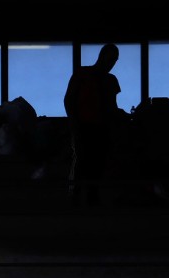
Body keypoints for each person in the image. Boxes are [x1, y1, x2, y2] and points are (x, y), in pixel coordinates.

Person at [63, 43, 122, 207]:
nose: (111, 63)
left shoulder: (98, 77)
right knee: (84, 161)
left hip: (99, 127)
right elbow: (69, 100)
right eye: (111, 59)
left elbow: (111, 106)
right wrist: (74, 123)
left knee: (95, 162)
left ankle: (87, 196)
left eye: (114, 60)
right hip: (85, 126)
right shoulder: (86, 75)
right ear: (102, 57)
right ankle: (78, 195)